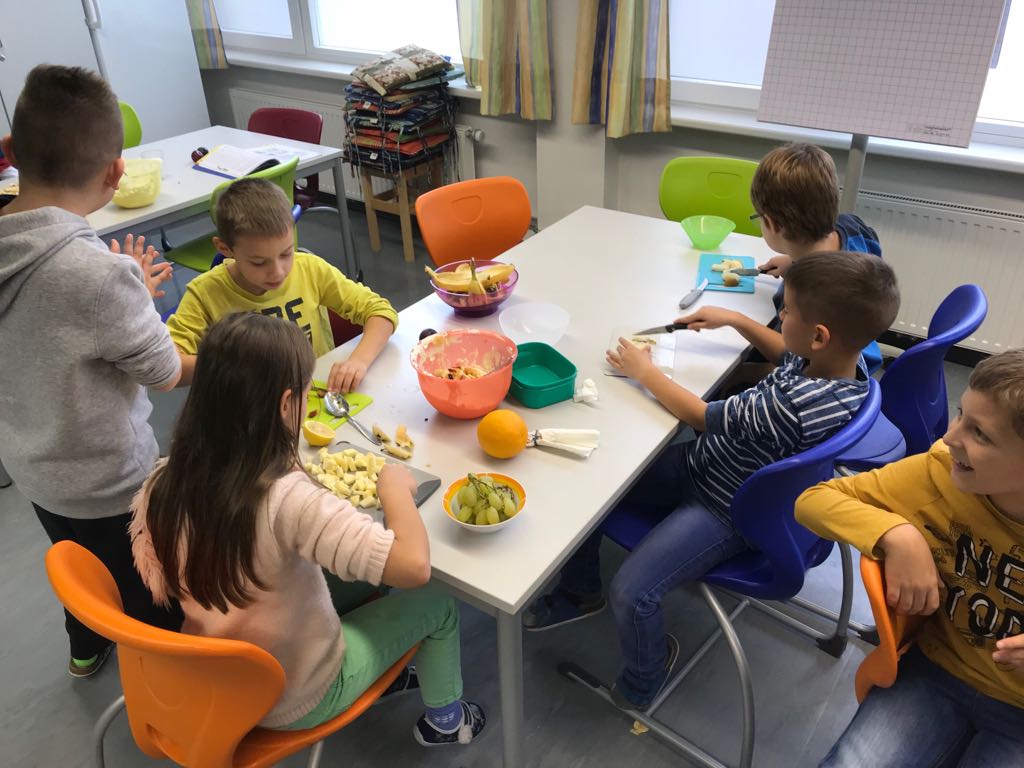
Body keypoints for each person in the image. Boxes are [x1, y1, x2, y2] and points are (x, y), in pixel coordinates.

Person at [524, 251, 900, 710]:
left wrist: (645, 372)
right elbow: (785, 353)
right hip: (713, 468)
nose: (781, 316)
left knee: (633, 593)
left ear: (819, 336)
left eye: (787, 311)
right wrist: (736, 320)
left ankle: (644, 679)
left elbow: (701, 416)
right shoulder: (843, 371)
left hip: (726, 510)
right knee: (600, 482)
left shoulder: (789, 407)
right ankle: (580, 589)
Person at [130, 312, 486, 745]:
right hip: (297, 695)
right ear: (286, 404)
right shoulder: (286, 499)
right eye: (305, 393)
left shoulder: (164, 479)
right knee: (437, 603)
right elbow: (414, 568)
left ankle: (387, 672)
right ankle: (447, 722)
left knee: (356, 581)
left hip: (224, 674)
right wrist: (394, 489)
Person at [0, 64, 181, 677]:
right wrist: (137, 301)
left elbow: (55, 333)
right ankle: (169, 674)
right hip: (110, 481)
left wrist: (129, 300)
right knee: (148, 589)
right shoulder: (100, 279)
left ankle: (85, 643)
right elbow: (164, 371)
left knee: (78, 564)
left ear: (10, 152)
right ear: (115, 173)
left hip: (34, 467)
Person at [795, 349, 1024, 766]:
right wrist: (896, 534)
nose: (950, 437)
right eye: (961, 414)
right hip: (938, 671)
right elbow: (814, 500)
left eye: (980, 434)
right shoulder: (941, 473)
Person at [166, 178, 397, 391]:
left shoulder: (309, 269)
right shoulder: (205, 293)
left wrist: (358, 361)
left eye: (286, 253)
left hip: (312, 395)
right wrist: (233, 365)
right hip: (249, 404)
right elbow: (169, 366)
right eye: (259, 262)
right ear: (225, 248)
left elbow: (381, 312)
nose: (278, 272)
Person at [751, 142, 885, 373]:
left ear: (772, 223)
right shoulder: (852, 225)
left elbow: (794, 362)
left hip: (830, 374)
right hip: (863, 349)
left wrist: (735, 320)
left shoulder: (810, 291)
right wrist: (794, 262)